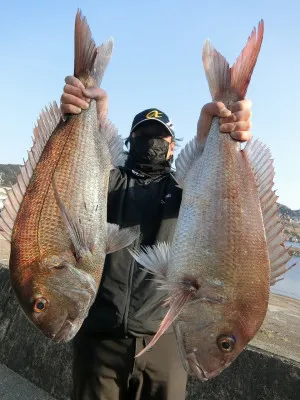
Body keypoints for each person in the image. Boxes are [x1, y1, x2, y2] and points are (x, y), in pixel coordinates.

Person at [60, 76, 252, 400]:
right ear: (129, 141)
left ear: (173, 145)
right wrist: (90, 120)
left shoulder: (183, 190)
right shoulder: (109, 181)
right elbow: (83, 171)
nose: (153, 141)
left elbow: (209, 178)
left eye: (161, 137)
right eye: (143, 135)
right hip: (100, 338)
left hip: (165, 342)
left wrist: (218, 133)